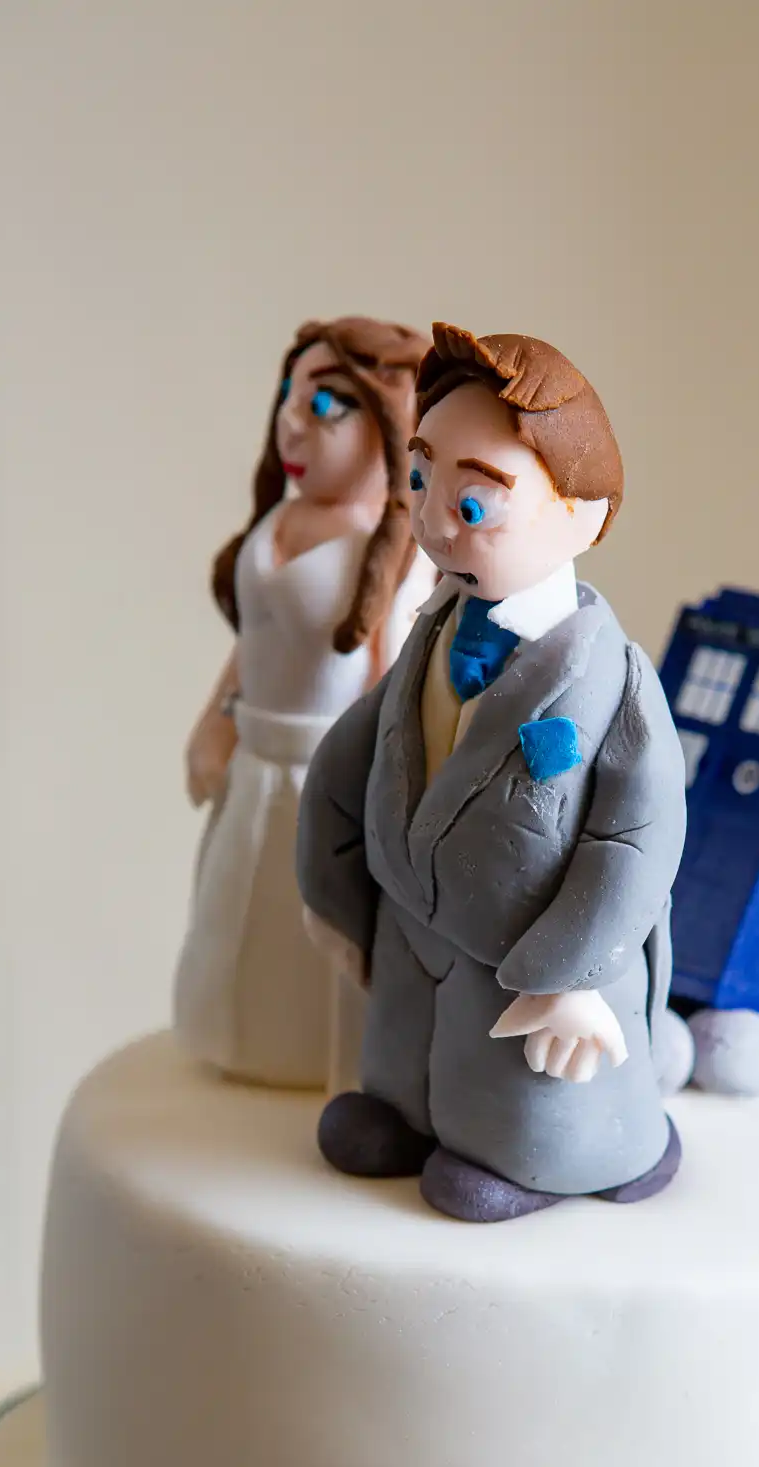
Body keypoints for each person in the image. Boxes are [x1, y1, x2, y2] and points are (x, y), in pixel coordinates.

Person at [298, 323, 687, 1222]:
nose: (434, 523)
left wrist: (574, 978)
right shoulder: (433, 628)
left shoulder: (614, 683)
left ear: (582, 514)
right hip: (411, 933)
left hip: (533, 976)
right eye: (421, 481)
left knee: (527, 1097)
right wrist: (332, 887)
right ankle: (408, 1114)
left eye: (474, 505)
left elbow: (637, 839)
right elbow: (359, 748)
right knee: (406, 1055)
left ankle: (547, 1161)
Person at [174, 316, 435, 1089]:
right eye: (291, 396)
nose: (293, 422)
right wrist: (214, 721)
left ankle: (324, 1063)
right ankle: (237, 1041)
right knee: (237, 915)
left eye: (326, 405)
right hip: (255, 763)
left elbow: (398, 684)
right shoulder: (277, 521)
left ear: (393, 423)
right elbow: (255, 641)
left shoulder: (396, 549)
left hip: (331, 779)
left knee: (311, 933)